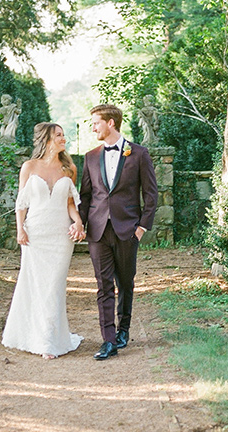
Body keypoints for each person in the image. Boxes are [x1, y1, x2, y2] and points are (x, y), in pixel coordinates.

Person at [72, 103, 158, 360]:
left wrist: (141, 228)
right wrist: (81, 223)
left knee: (126, 283)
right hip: (97, 232)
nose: (93, 127)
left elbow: (150, 194)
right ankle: (108, 340)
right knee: (103, 285)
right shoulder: (90, 157)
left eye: (96, 122)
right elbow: (86, 196)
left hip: (127, 230)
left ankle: (124, 329)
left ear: (111, 123)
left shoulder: (139, 154)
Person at [2, 122, 85, 359]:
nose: (63, 139)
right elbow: (21, 203)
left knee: (54, 285)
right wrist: (20, 230)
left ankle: (49, 340)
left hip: (60, 235)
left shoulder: (69, 169)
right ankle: (33, 335)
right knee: (35, 284)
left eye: (63, 135)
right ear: (47, 139)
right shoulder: (29, 167)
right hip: (35, 234)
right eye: (58, 135)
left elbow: (70, 204)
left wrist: (77, 222)